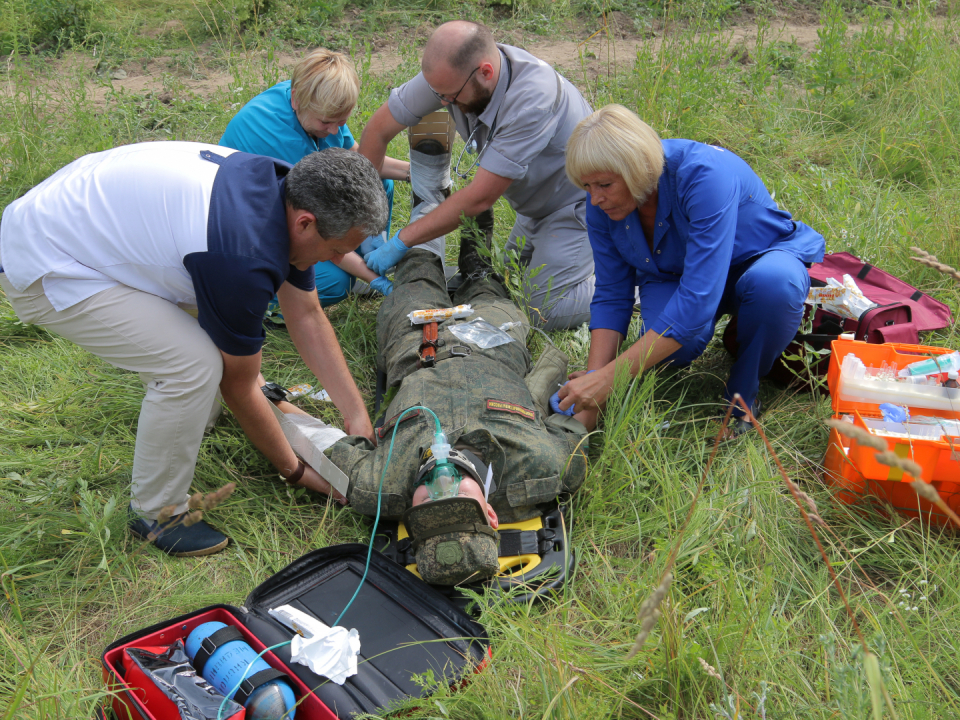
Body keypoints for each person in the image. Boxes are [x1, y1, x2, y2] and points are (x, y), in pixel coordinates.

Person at [0, 142, 386, 556]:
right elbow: (238, 386)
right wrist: (295, 472)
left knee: (213, 354)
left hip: (85, 214)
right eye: (337, 251)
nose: (336, 259)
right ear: (306, 224)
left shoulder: (290, 189)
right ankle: (158, 514)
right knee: (192, 365)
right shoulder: (242, 254)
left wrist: (356, 415)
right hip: (48, 259)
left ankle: (188, 418)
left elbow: (306, 313)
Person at [272, 220, 589, 585]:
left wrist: (261, 393)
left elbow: (314, 439)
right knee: (486, 281)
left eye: (427, 501)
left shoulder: (381, 484)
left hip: (416, 342)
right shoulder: (542, 467)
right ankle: (476, 227)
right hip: (495, 340)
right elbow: (578, 416)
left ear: (407, 512)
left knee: (417, 268)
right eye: (458, 498)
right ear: (491, 514)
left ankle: (432, 207)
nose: (445, 481)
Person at [557, 105, 826, 436]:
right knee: (670, 348)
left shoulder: (703, 174)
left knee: (775, 287)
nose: (595, 198)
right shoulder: (601, 201)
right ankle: (739, 332)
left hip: (757, 258)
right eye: (586, 186)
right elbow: (613, 293)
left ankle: (742, 399)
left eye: (604, 185)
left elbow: (695, 305)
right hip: (677, 275)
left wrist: (610, 379)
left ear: (635, 170)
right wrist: (592, 387)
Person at [358, 20, 595, 331]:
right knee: (504, 288)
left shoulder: (533, 99)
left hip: (577, 209)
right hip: (533, 209)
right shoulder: (452, 77)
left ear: (486, 72)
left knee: (540, 310)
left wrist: (401, 241)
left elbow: (480, 197)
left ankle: (626, 285)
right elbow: (377, 131)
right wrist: (365, 220)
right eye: (437, 94)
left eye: (451, 97)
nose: (442, 103)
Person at [220, 47, 409, 310]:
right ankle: (263, 304)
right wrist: (376, 281)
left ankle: (365, 254)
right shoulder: (280, 138)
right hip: (254, 234)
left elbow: (357, 157)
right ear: (297, 99)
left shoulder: (316, 99)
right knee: (335, 283)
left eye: (340, 122)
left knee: (377, 182)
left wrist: (411, 173)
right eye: (327, 123)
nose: (333, 130)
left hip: (301, 215)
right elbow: (314, 226)